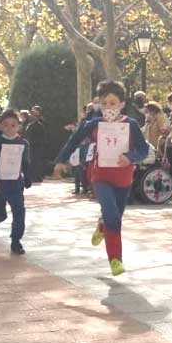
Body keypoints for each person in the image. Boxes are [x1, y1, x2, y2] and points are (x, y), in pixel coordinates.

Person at [56, 80, 151, 276]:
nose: (109, 107)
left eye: (113, 103)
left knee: (114, 217)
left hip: (124, 178)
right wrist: (61, 160)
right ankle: (115, 259)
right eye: (105, 103)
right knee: (113, 218)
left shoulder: (131, 125)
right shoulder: (94, 124)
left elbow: (143, 149)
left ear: (122, 104)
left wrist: (130, 158)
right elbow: (74, 140)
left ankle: (102, 225)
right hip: (100, 177)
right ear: (99, 104)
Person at [0, 110, 35, 254]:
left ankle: (16, 241)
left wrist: (28, 177)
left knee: (19, 212)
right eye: (6, 125)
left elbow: (25, 163)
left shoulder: (23, 143)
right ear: (0, 126)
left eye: (13, 125)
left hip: (15, 184)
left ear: (19, 126)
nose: (10, 128)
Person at [23, 106, 49, 182]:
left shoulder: (40, 125)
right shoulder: (29, 125)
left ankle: (37, 176)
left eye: (34, 115)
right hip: (31, 145)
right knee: (32, 161)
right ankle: (33, 176)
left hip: (36, 146)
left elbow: (42, 136)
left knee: (36, 161)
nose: (32, 116)